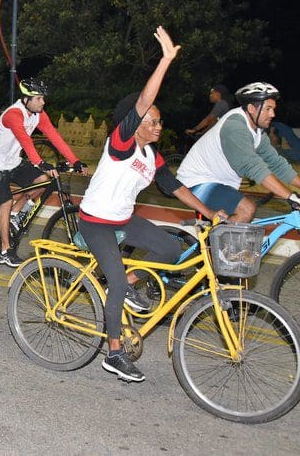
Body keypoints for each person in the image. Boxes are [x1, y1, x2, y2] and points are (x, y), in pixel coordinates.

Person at [78, 26, 225, 383]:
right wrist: (165, 61)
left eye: (160, 121)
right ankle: (114, 353)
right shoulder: (122, 142)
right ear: (137, 124)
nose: (159, 125)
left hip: (123, 219)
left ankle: (129, 281)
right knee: (113, 281)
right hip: (96, 222)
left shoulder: (150, 154)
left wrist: (211, 214)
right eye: (154, 121)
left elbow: (173, 185)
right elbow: (143, 101)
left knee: (169, 249)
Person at [0, 78, 89, 267]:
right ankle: (5, 251)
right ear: (26, 99)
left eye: (42, 98)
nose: (43, 102)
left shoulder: (39, 114)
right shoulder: (13, 114)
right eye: (39, 98)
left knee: (43, 180)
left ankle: (17, 212)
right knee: (5, 201)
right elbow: (25, 140)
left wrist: (74, 160)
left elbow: (54, 136)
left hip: (12, 162)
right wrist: (40, 162)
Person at [176, 82, 300, 222]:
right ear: (251, 108)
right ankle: (222, 243)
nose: (273, 114)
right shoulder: (235, 126)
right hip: (198, 181)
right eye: (268, 109)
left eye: (273, 109)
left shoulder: (257, 132)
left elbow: (276, 163)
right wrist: (290, 197)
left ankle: (218, 241)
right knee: (246, 208)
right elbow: (254, 167)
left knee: (237, 223)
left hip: (220, 183)